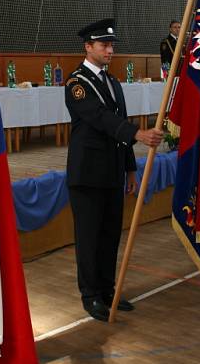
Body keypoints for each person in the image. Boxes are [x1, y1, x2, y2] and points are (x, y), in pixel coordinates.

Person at [65, 18, 163, 322]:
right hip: (88, 174)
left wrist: (130, 169)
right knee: (89, 237)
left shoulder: (112, 81)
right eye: (104, 45)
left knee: (109, 235)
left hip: (112, 172)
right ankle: (90, 295)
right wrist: (137, 133)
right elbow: (99, 118)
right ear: (88, 47)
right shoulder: (77, 83)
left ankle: (108, 290)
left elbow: (118, 122)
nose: (110, 50)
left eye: (111, 45)